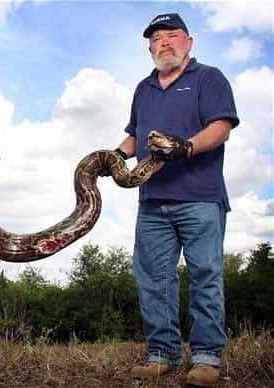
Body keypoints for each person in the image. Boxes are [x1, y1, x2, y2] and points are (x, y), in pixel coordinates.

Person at [112, 13, 239, 387]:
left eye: (172, 35)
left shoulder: (209, 78)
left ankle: (205, 358)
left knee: (205, 275)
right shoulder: (143, 88)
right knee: (154, 279)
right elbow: (135, 135)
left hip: (199, 196)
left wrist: (186, 147)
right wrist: (113, 156)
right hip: (151, 200)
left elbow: (221, 127)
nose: (164, 42)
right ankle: (162, 354)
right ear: (150, 47)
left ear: (189, 42)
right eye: (156, 38)